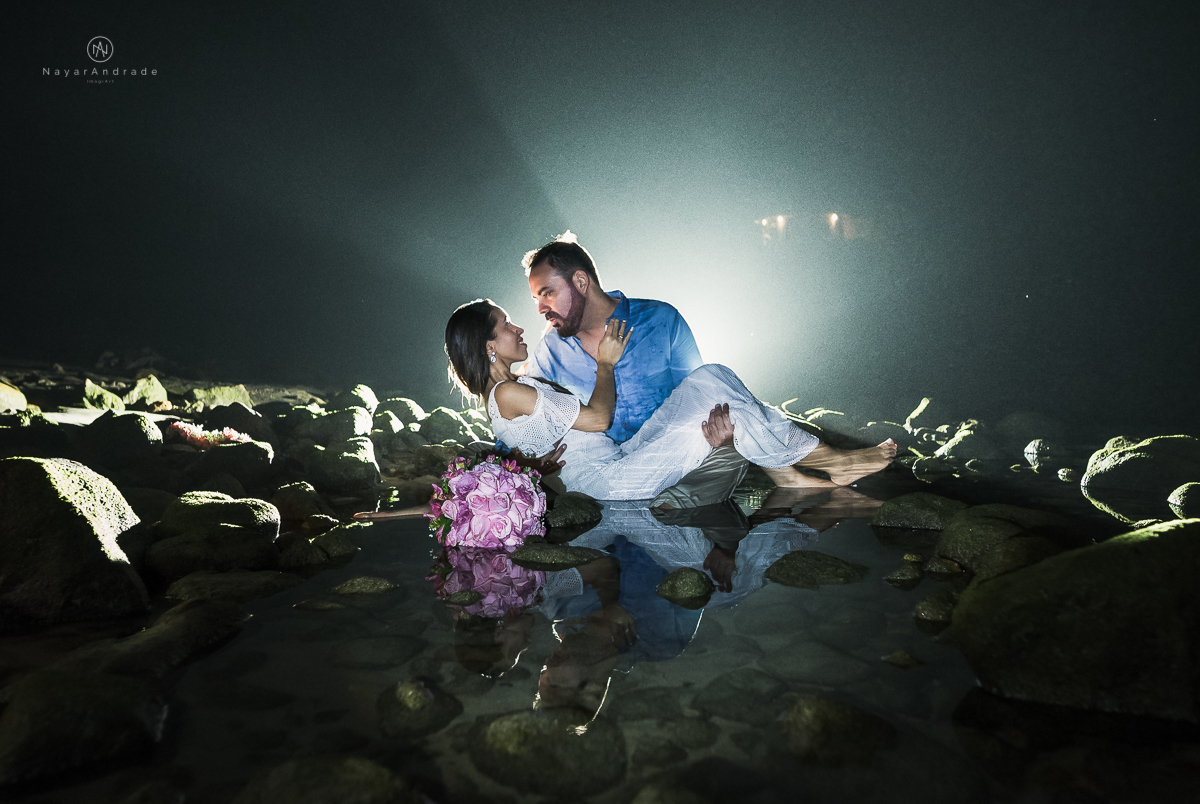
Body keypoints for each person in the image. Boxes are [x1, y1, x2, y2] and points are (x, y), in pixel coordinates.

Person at [443, 299, 897, 502]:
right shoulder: (509, 391)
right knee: (730, 414)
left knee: (710, 377)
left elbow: (527, 442)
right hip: (610, 484)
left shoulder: (515, 385)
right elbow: (599, 419)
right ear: (487, 346)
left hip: (619, 459)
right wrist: (606, 364)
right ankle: (824, 465)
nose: (518, 328)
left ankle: (791, 472)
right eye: (506, 326)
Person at [520, 234, 749, 509]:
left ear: (581, 282)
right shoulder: (550, 352)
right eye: (536, 299)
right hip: (605, 479)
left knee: (730, 429)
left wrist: (721, 432)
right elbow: (526, 424)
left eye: (547, 293)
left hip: (675, 458)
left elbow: (698, 395)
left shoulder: (662, 320)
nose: (541, 308)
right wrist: (527, 462)